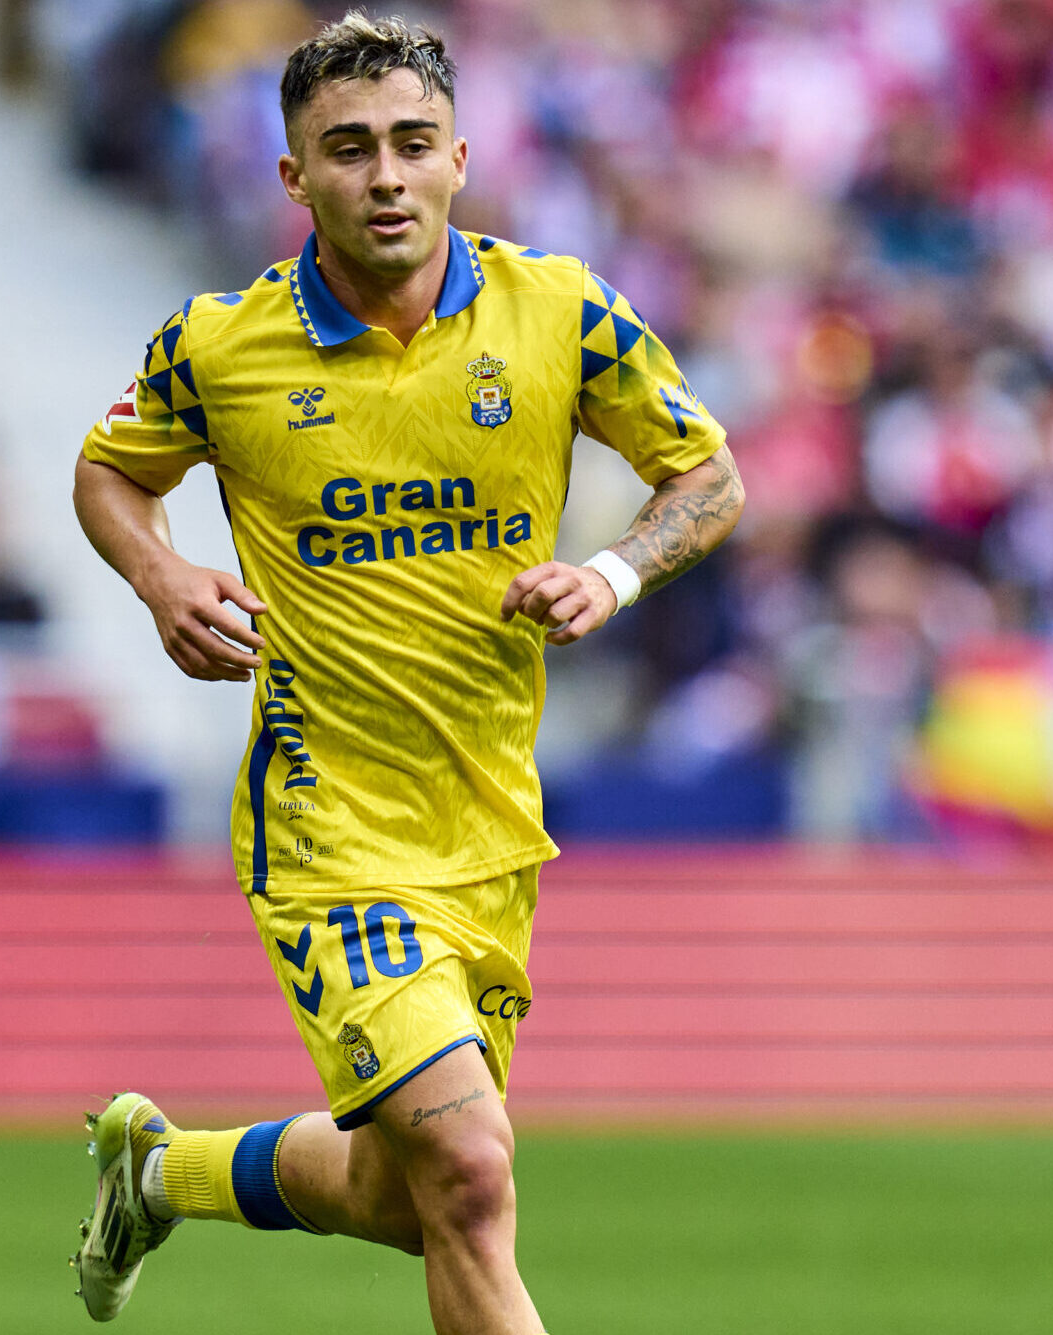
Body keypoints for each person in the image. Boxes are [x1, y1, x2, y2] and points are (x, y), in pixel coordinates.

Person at [66, 13, 742, 1334]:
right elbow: (109, 474)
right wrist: (163, 576)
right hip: (329, 829)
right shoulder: (221, 346)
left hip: (490, 828)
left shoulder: (559, 314)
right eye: (350, 148)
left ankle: (158, 1171)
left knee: (415, 1190)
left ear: (460, 159)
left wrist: (610, 573)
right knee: (475, 1174)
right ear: (293, 178)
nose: (385, 176)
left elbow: (706, 474)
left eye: (412, 145)